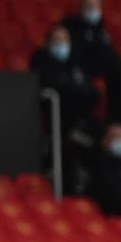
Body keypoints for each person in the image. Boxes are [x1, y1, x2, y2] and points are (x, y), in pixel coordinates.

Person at [29, 24, 101, 186]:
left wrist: (73, 90)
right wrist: (75, 90)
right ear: (48, 42)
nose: (61, 44)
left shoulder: (76, 62)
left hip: (82, 120)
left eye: (64, 40)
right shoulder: (41, 61)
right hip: (56, 122)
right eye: (57, 40)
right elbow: (56, 87)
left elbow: (93, 93)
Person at [61, 0, 121, 121]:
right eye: (89, 5)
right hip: (80, 72)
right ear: (81, 7)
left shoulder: (102, 30)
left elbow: (110, 54)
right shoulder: (71, 27)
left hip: (105, 73)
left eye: (96, 6)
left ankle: (119, 124)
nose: (92, 9)